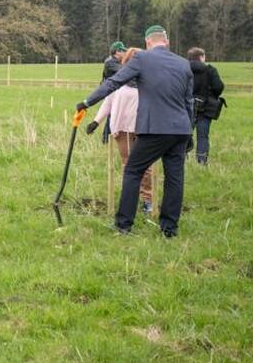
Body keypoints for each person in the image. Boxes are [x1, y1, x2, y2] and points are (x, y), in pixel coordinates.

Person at [77, 25, 193, 238]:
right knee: (175, 178)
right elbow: (188, 102)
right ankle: (169, 229)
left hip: (155, 128)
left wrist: (87, 102)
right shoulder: (184, 64)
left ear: (148, 42)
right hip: (180, 129)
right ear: (166, 42)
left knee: (132, 170)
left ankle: (123, 225)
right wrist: (190, 134)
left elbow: (114, 83)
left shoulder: (142, 59)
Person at [86, 48, 154, 214]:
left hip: (143, 129)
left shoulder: (149, 81)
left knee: (146, 166)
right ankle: (129, 200)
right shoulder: (119, 80)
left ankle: (148, 200)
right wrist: (96, 121)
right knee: (128, 165)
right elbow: (108, 102)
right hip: (122, 130)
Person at [188, 47, 225, 165]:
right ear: (201, 57)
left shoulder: (183, 69)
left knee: (184, 134)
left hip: (187, 107)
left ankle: (182, 158)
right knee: (202, 136)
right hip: (205, 108)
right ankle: (201, 161)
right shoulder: (210, 70)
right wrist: (212, 95)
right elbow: (219, 87)